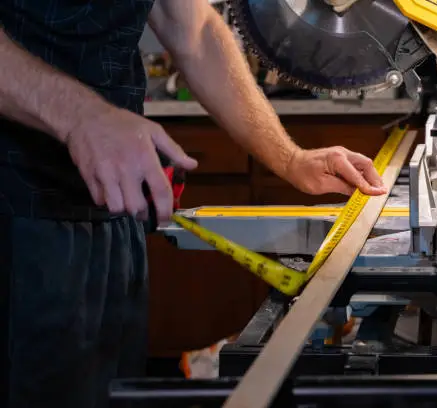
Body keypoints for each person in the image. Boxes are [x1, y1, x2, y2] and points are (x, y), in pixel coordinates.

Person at [0, 1, 387, 407]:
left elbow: (194, 29)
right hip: (16, 210)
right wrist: (82, 117)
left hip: (109, 218)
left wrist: (289, 158)